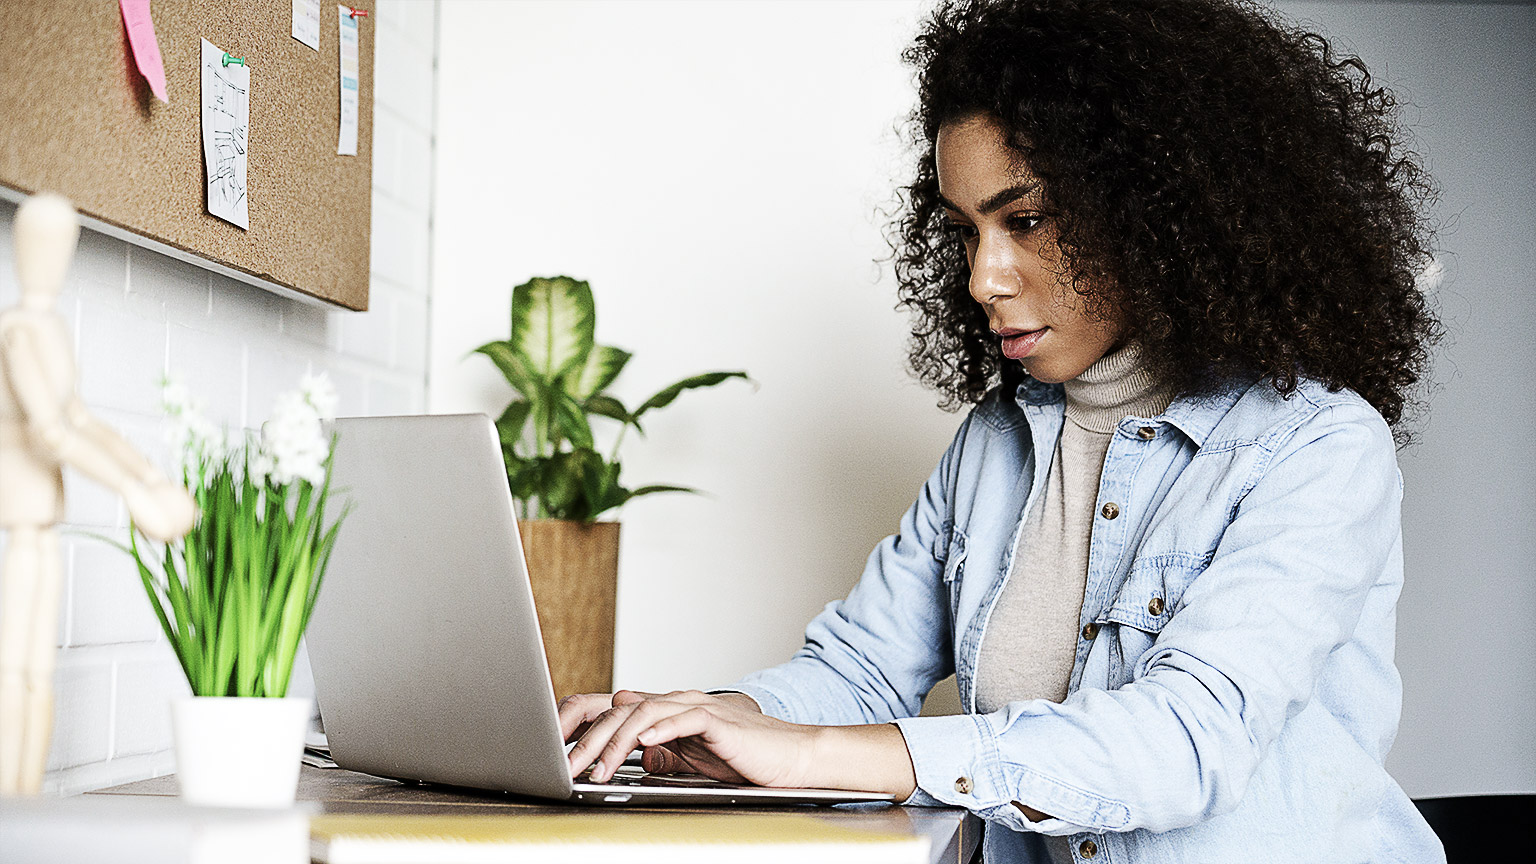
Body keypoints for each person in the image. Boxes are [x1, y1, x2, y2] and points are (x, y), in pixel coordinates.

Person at [559, 0, 1445, 860]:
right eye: (966, 231)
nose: (985, 277)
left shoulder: (1319, 446)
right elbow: (862, 669)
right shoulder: (998, 440)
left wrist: (816, 756)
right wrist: (697, 720)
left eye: (1025, 221)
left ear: (1157, 210)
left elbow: (1184, 742)